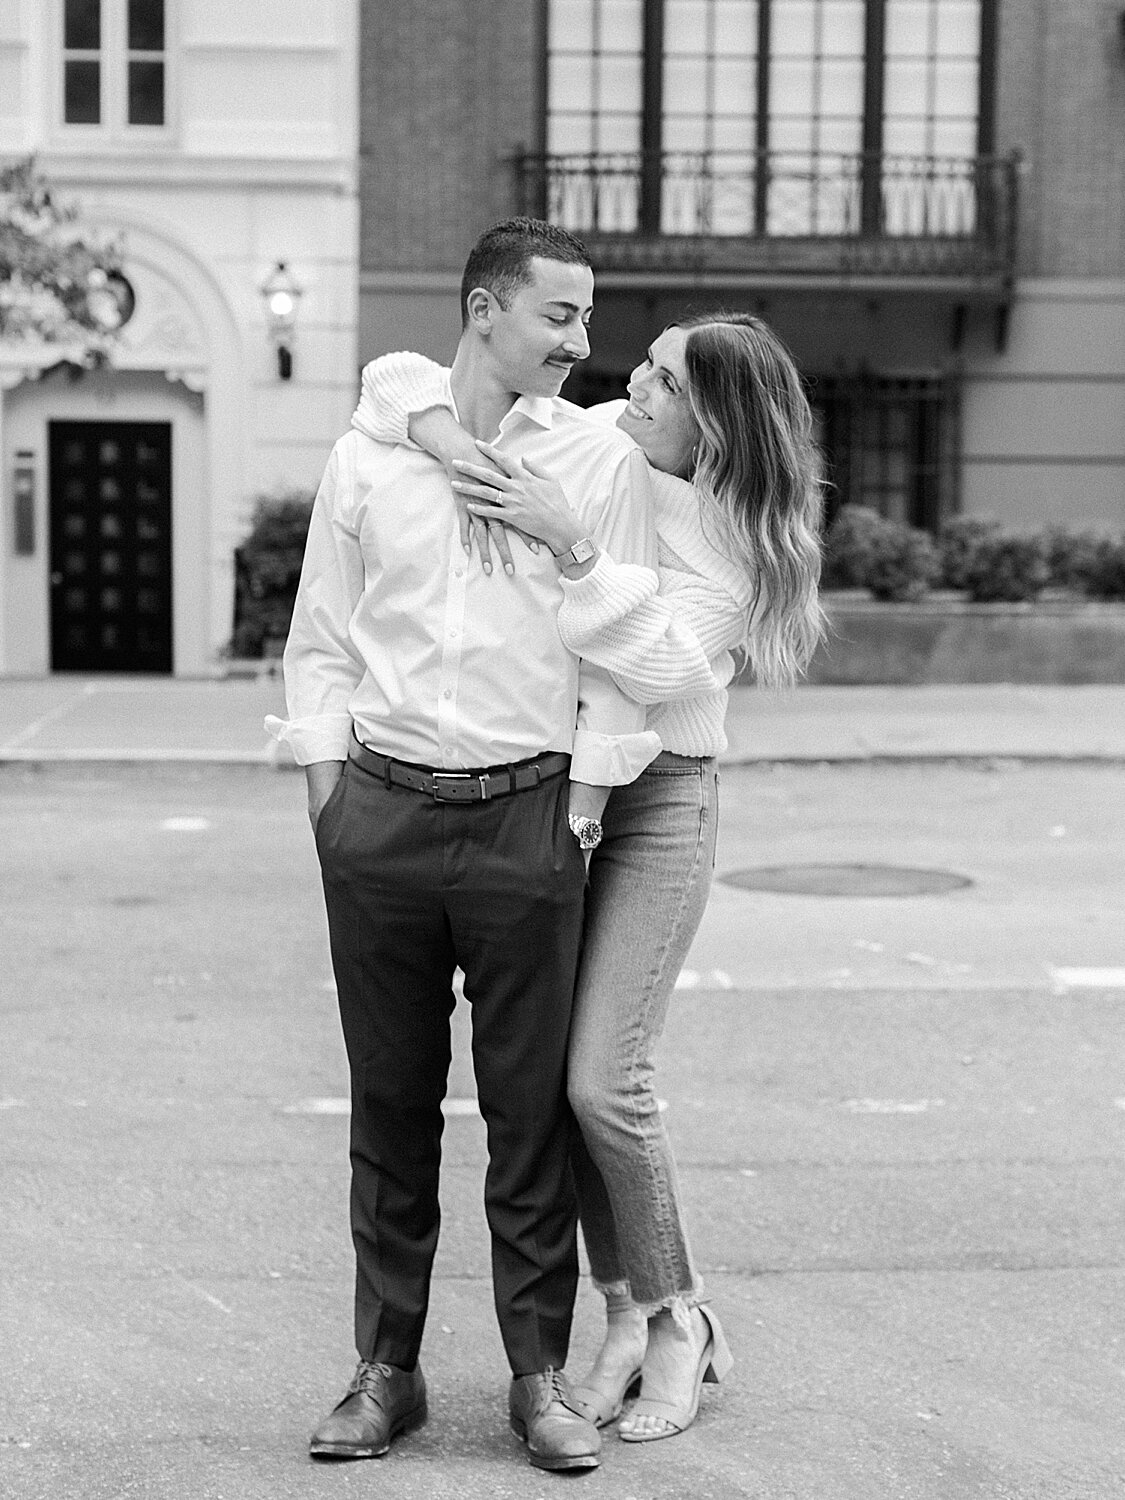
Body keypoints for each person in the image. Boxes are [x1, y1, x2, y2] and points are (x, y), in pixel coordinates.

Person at [354, 309, 825, 1441]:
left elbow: (665, 669)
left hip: (661, 800)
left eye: (665, 382)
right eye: (646, 370)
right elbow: (394, 374)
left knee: (604, 1080)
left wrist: (574, 547)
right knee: (552, 1078)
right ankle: (619, 1313)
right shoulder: (611, 433)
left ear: (714, 421)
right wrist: (443, 431)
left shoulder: (735, 530)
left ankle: (678, 1316)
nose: (634, 388)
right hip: (562, 783)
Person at [266, 217, 663, 1473]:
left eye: (587, 319)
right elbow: (321, 639)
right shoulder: (371, 457)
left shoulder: (591, 459)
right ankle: (388, 1371)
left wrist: (581, 810)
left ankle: (537, 1380)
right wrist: (332, 808)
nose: (582, 342)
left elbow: (614, 651)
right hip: (378, 814)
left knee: (527, 1115)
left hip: (527, 816)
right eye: (561, 316)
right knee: (389, 1109)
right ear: (487, 309)